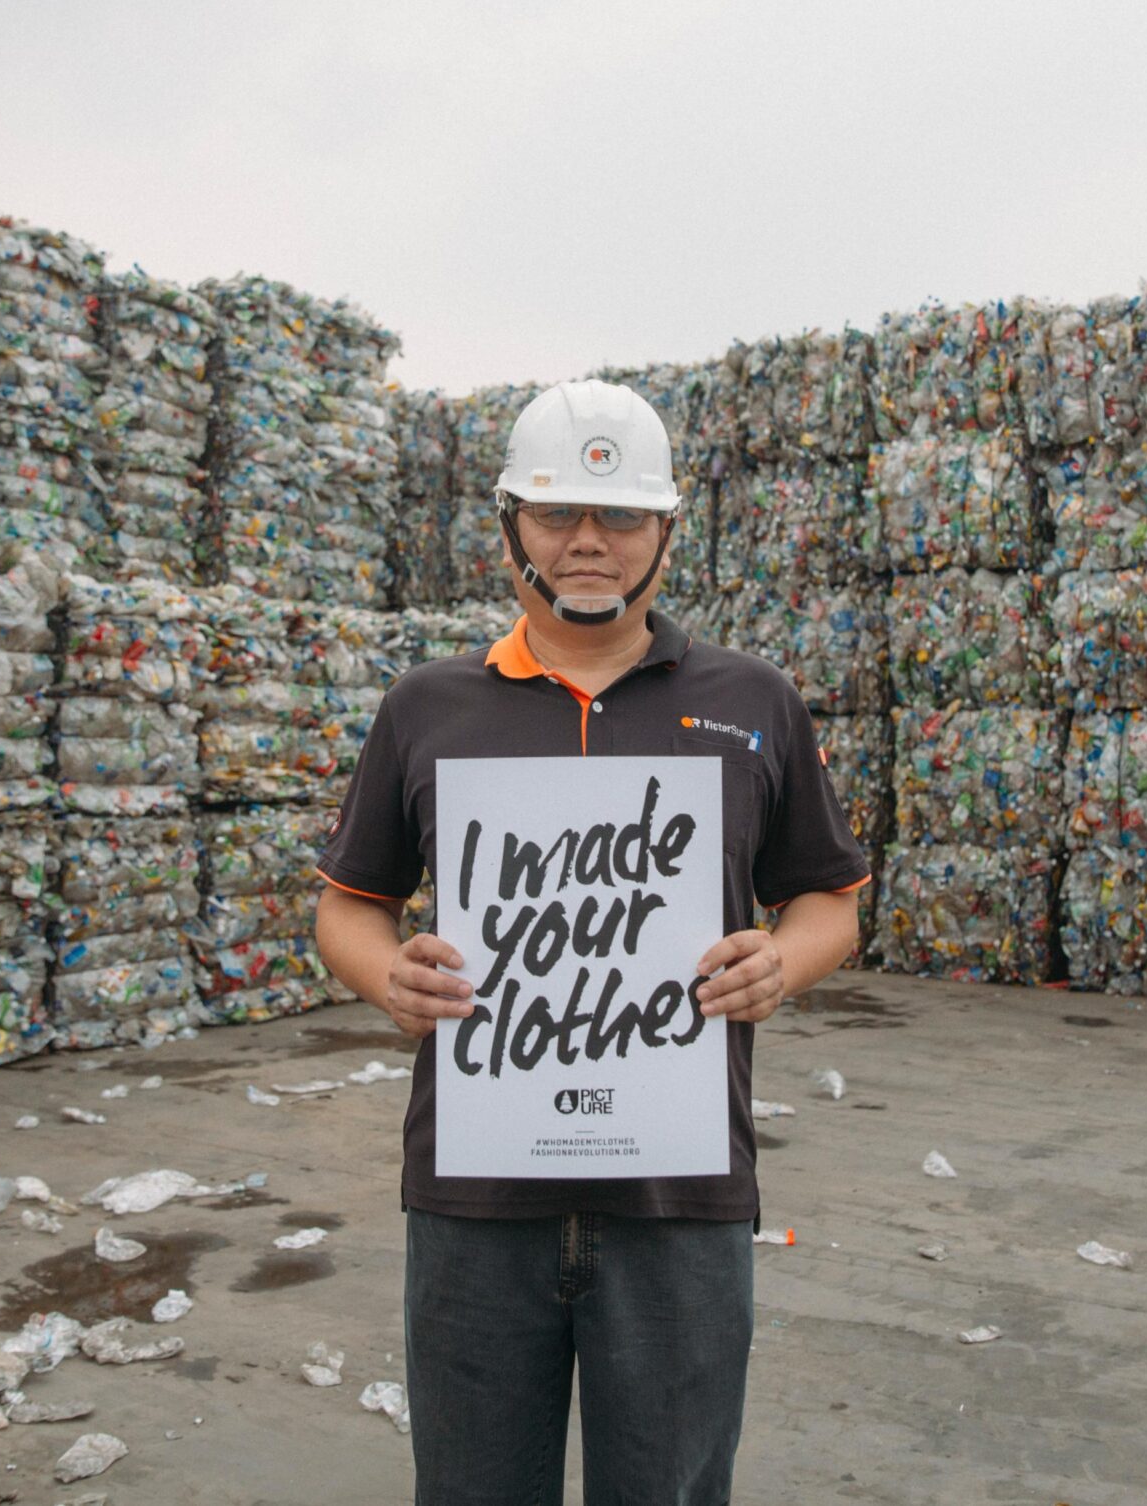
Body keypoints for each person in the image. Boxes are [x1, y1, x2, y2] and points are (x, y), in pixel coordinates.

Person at [314, 379, 870, 1506]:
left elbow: (831, 899)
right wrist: (387, 974)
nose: (587, 541)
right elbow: (349, 902)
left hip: (679, 1199)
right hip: (476, 1197)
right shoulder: (429, 706)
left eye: (619, 515)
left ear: (665, 531)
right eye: (557, 512)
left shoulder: (751, 699)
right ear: (509, 525)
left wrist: (782, 960)